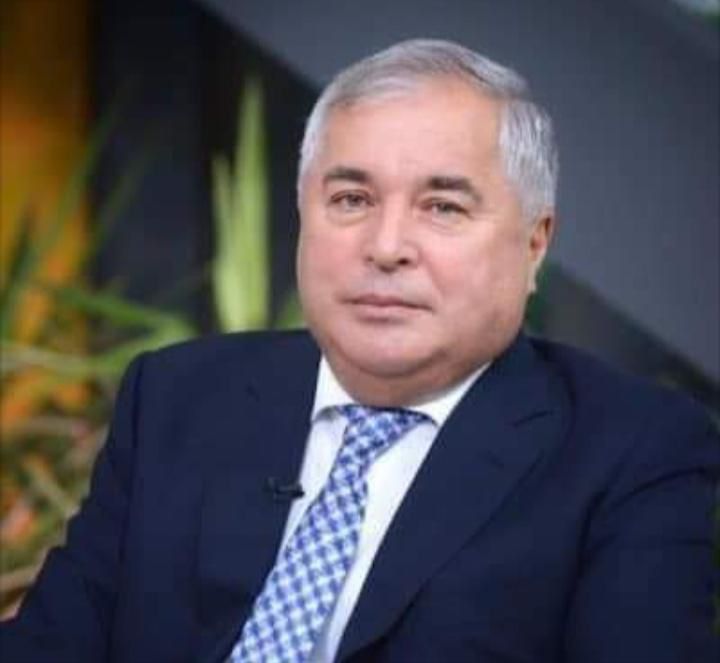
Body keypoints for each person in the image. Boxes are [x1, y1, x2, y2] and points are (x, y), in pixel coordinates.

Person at [1, 39, 718, 663]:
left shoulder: (633, 452)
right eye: (351, 199)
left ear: (535, 244)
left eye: (443, 206)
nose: (385, 246)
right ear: (303, 213)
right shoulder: (176, 396)